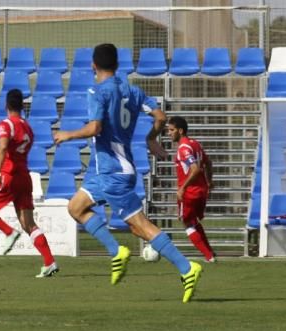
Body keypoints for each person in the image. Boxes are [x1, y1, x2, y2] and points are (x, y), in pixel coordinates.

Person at [55, 43, 203, 302]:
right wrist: (151, 139)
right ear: (117, 65)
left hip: (114, 172)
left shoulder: (97, 91)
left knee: (141, 226)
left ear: (93, 65)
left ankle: (187, 267)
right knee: (76, 207)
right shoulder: (133, 91)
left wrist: (68, 134)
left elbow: (95, 128)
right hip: (105, 171)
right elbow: (159, 115)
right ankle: (116, 251)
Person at [0, 88, 59, 278]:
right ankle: (49, 262)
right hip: (24, 178)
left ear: (6, 105)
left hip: (9, 177)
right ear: (22, 106)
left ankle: (8, 231)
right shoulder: (27, 128)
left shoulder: (6, 124)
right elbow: (13, 154)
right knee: (28, 224)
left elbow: (3, 147)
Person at [165, 115, 216, 262]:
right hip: (201, 190)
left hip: (190, 192)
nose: (169, 133)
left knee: (187, 224)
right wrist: (209, 181)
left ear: (180, 131)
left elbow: (194, 169)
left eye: (171, 130)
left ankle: (209, 256)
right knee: (194, 222)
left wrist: (182, 188)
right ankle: (210, 253)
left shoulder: (183, 148)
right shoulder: (195, 144)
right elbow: (208, 162)